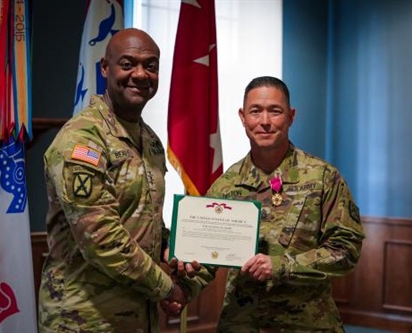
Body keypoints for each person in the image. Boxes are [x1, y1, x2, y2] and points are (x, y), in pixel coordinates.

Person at [38, 28, 213, 333]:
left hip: (136, 316)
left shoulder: (151, 140)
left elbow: (143, 221)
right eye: (128, 64)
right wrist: (168, 289)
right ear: (105, 68)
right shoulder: (83, 139)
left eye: (151, 66)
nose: (141, 74)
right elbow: (101, 238)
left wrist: (175, 246)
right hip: (84, 318)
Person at [206, 76, 366, 332]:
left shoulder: (323, 178)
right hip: (243, 322)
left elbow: (346, 251)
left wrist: (282, 266)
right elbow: (206, 254)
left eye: (275, 111)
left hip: (307, 323)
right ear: (243, 117)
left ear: (291, 116)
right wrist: (180, 289)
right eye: (256, 111)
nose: (265, 122)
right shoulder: (226, 186)